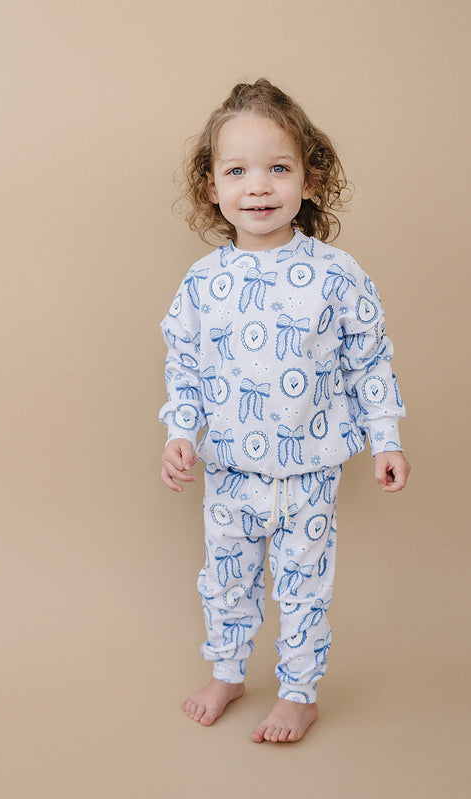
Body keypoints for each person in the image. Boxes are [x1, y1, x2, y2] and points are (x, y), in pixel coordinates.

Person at [159, 79, 410, 744]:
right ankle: (227, 672)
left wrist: (386, 438)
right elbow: (184, 363)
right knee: (225, 580)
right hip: (229, 470)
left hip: (308, 472)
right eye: (236, 171)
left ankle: (298, 693)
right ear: (211, 185)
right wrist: (179, 430)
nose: (258, 187)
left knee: (303, 587)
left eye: (277, 168)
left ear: (309, 179)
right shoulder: (203, 283)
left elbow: (369, 359)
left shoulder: (336, 273)